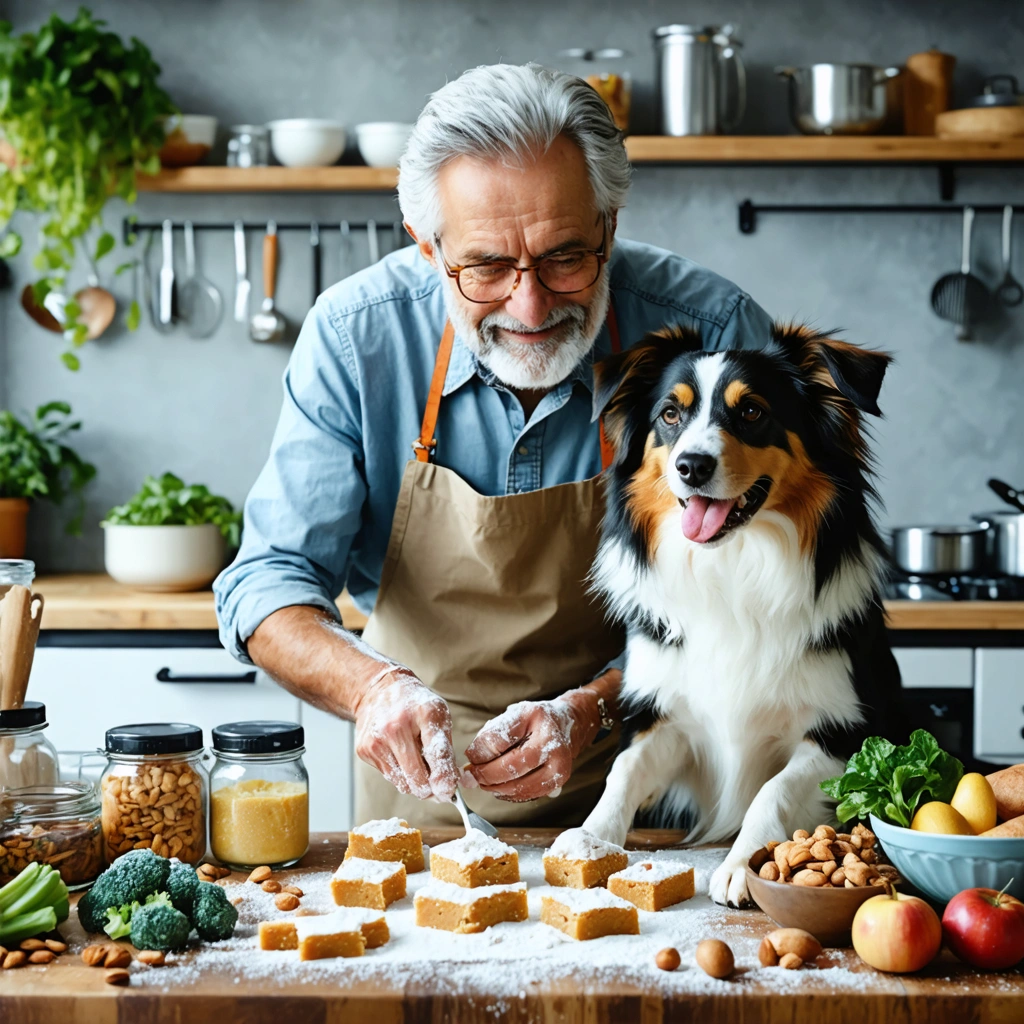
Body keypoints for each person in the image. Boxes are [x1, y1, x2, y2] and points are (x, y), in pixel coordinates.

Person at [214, 62, 773, 827]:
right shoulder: (355, 338)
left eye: (566, 256)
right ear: (426, 245)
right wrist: (374, 691)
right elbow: (269, 582)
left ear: (610, 223)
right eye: (485, 266)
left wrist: (593, 711)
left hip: (659, 782)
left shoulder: (712, 333)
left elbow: (753, 595)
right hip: (427, 798)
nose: (531, 304)